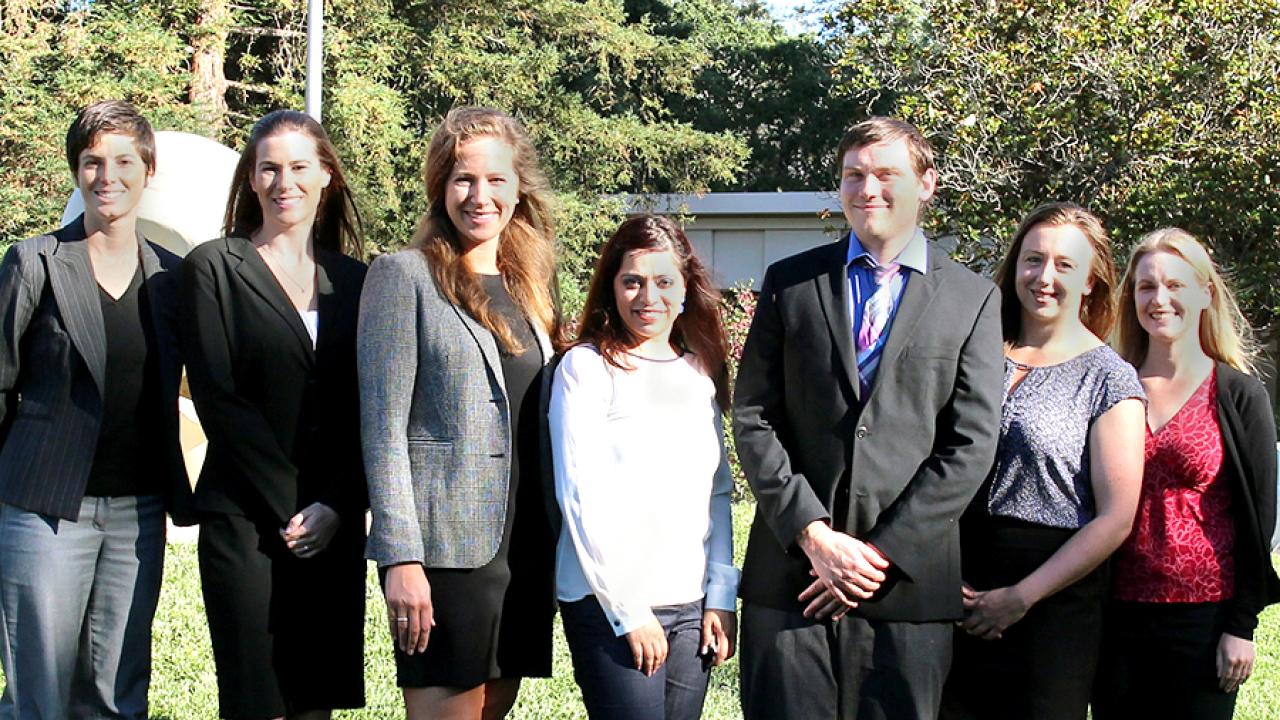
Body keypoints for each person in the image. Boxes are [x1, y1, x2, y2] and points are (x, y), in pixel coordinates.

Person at [731, 116, 1005, 720]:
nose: (867, 189)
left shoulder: (973, 298)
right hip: (793, 579)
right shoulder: (791, 282)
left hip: (906, 587)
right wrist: (813, 534)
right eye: (853, 175)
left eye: (886, 174)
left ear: (926, 184)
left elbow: (972, 441)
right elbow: (753, 415)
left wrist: (877, 555)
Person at [358, 106, 560, 720]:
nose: (480, 196)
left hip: (524, 548)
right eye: (463, 179)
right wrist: (401, 558)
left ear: (518, 187)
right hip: (445, 553)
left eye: (496, 180)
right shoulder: (403, 277)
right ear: (440, 187)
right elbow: (382, 427)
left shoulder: (531, 285)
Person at [0, 99, 192, 720]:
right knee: (41, 696)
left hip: (138, 513)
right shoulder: (35, 263)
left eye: (122, 161)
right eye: (92, 162)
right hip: (44, 507)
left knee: (118, 694)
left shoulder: (172, 277)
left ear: (148, 171)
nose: (107, 176)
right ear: (76, 171)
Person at [180, 110, 368, 720]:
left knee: (315, 698)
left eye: (298, 167)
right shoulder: (214, 267)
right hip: (246, 520)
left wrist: (337, 506)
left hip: (332, 523)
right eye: (269, 168)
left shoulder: (359, 282)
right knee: (255, 699)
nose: (283, 181)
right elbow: (219, 396)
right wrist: (294, 506)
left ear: (326, 178)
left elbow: (373, 406)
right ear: (252, 180)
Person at [939, 202, 1146, 720]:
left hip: (1051, 604)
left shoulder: (1109, 377)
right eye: (1033, 260)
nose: (1044, 277)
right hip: (954, 589)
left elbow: (1116, 518)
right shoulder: (976, 349)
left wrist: (1021, 597)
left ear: (1092, 281)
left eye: (1064, 265)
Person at [549, 215, 739, 720]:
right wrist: (628, 611)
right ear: (611, 288)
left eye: (662, 282)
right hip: (609, 604)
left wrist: (720, 596)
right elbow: (579, 497)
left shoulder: (700, 371)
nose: (646, 297)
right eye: (631, 281)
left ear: (685, 290)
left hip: (691, 605)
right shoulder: (586, 369)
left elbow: (718, 493)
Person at [1093, 228, 1280, 718]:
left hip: (1204, 617)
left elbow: (1259, 521)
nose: (1160, 299)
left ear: (1204, 293)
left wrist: (1242, 627)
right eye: (1147, 286)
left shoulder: (1239, 395)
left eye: (1175, 285)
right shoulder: (1110, 384)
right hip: (1114, 614)